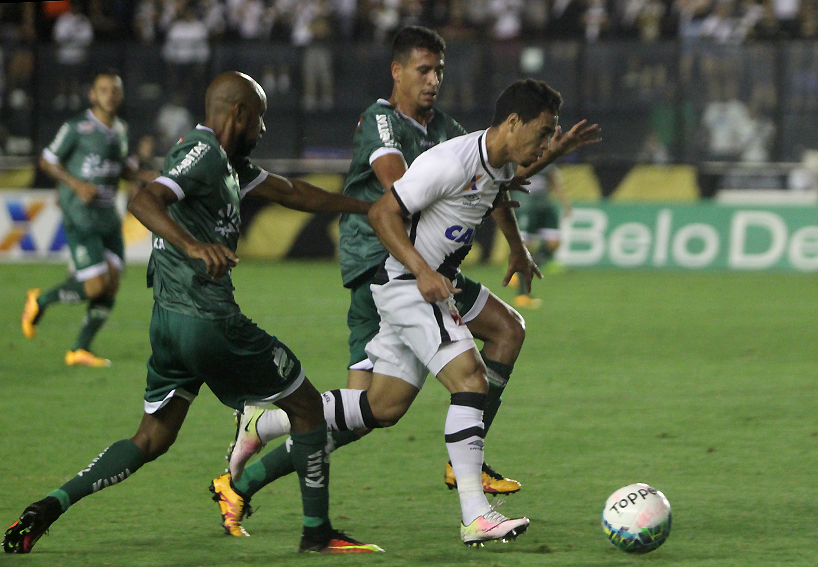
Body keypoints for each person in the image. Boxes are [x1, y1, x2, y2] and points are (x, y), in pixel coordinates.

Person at [3, 71, 382, 556]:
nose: (264, 128)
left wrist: (365, 207)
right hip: (209, 321)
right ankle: (317, 533)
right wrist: (194, 245)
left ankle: (49, 506)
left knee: (150, 438)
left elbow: (292, 192)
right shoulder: (202, 153)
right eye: (260, 118)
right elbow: (144, 199)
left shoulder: (230, 163)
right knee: (307, 406)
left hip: (168, 327)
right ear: (239, 114)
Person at [209, 79, 601, 546]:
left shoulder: (498, 160)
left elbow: (501, 188)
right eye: (543, 132)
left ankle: (268, 421)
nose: (545, 142)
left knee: (382, 406)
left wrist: (517, 246)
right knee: (470, 378)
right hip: (411, 284)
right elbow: (382, 214)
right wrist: (422, 271)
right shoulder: (450, 161)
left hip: (430, 281)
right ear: (513, 123)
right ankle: (475, 513)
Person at [22, 70, 155, 367]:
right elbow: (47, 160)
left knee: (112, 283)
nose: (110, 95)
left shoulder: (120, 129)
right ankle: (40, 300)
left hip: (108, 216)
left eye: (115, 90)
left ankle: (79, 349)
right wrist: (76, 184)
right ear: (92, 95)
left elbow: (120, 168)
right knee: (95, 285)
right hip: (80, 214)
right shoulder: (77, 127)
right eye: (103, 90)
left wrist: (145, 175)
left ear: (121, 95)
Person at [511, 163, 567, 309]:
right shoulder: (515, 162)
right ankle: (522, 295)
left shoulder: (547, 163)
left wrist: (565, 203)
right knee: (524, 248)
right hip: (524, 206)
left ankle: (522, 271)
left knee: (554, 243)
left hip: (544, 206)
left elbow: (554, 181)